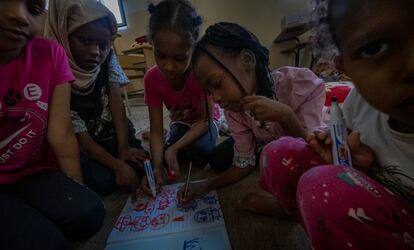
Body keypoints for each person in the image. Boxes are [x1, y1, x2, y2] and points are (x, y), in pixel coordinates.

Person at [261, 0, 414, 250]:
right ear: (346, 68)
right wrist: (364, 167)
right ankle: (304, 216)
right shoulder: (360, 102)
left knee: (323, 187)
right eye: (374, 48)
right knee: (279, 153)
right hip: (385, 207)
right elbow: (356, 165)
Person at [0, 0, 105, 250]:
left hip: (31, 170)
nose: (18, 16)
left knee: (90, 212)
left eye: (34, 9)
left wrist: (76, 190)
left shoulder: (50, 53)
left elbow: (61, 134)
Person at [177, 22, 325, 214]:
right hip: (262, 142)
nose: (216, 98)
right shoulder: (233, 109)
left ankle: (287, 207)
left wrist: (285, 116)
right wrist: (205, 185)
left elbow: (316, 152)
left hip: (300, 140)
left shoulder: (300, 86)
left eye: (217, 84)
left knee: (284, 159)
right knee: (219, 159)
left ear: (247, 60)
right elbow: (244, 163)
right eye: (209, 91)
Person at [45, 0, 148, 198]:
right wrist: (117, 165)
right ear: (65, 35)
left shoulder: (108, 56)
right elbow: (81, 139)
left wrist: (124, 148)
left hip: (112, 133)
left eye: (103, 44)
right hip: (83, 144)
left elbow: (117, 105)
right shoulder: (56, 68)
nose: (95, 52)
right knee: (103, 182)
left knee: (141, 162)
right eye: (85, 41)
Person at [143, 0, 219, 194]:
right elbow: (157, 131)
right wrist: (157, 166)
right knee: (167, 151)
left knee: (200, 152)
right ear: (151, 44)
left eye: (179, 58)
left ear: (193, 49)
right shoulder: (152, 79)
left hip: (206, 122)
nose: (168, 66)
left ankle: (181, 145)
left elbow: (205, 120)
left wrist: (174, 148)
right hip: (180, 123)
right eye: (160, 56)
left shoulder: (199, 72)